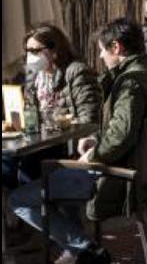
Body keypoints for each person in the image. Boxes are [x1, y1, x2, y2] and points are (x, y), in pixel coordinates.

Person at [7, 19, 147, 264]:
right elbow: (124, 129)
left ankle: (86, 248)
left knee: (20, 199)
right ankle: (76, 249)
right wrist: (97, 140)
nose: (99, 56)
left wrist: (93, 156)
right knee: (33, 175)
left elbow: (121, 134)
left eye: (102, 50)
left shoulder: (130, 83)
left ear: (116, 47)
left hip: (117, 177)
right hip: (143, 173)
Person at [3, 25, 102, 188]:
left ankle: (30, 206)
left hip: (65, 143)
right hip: (38, 140)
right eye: (27, 50)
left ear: (54, 50)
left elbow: (89, 119)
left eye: (35, 51)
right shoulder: (33, 75)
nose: (30, 56)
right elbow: (30, 112)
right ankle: (20, 206)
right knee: (6, 162)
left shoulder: (76, 72)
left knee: (28, 166)